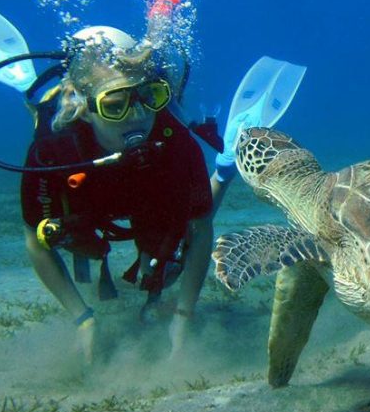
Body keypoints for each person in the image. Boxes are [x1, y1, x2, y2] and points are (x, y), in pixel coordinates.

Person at [20, 25, 236, 362]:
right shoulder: (53, 151)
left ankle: (224, 173)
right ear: (82, 107)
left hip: (149, 196)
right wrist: (82, 318)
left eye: (149, 98)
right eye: (115, 105)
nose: (137, 116)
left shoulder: (175, 142)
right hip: (88, 202)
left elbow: (201, 224)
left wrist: (183, 316)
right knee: (64, 236)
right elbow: (35, 242)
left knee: (166, 260)